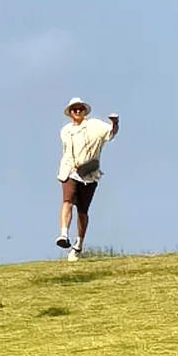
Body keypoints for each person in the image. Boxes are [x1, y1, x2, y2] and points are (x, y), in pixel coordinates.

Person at [56, 97, 119, 255]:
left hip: (89, 173)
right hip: (69, 170)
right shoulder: (65, 131)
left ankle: (79, 243)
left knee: (82, 211)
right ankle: (63, 234)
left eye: (80, 109)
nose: (77, 112)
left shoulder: (94, 125)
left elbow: (110, 133)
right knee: (67, 200)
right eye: (74, 109)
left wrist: (115, 123)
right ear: (70, 113)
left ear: (84, 111)